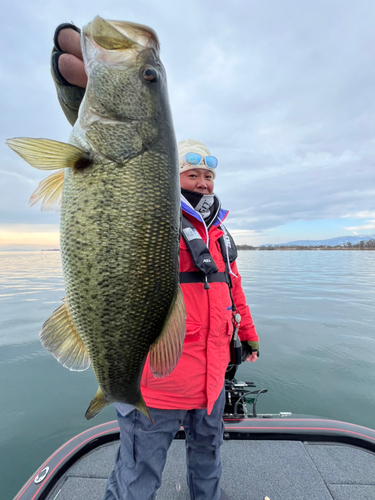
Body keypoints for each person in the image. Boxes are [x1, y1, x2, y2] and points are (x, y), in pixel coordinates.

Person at [50, 24, 260, 500]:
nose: (203, 182)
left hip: (209, 379)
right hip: (158, 382)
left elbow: (231, 285)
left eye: (208, 175)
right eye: (192, 173)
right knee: (139, 474)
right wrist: (76, 97)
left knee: (208, 465)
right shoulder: (161, 210)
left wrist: (246, 333)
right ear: (175, 173)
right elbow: (115, 184)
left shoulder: (219, 230)